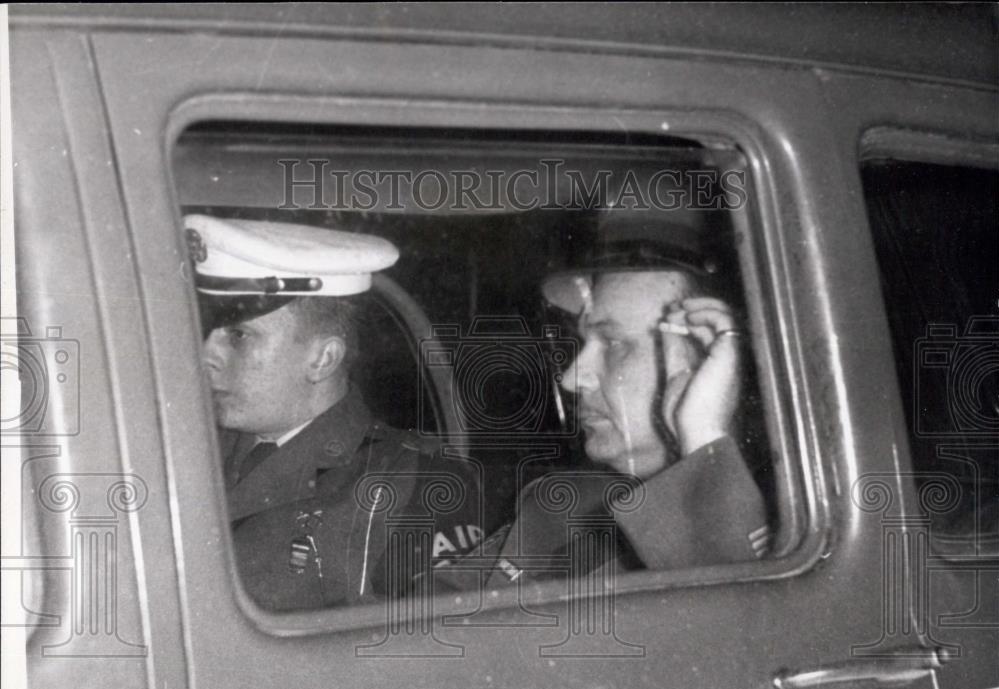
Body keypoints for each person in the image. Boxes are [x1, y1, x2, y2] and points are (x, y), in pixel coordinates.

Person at [433, 206, 771, 590]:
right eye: (583, 342)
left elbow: (742, 630)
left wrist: (704, 442)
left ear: (709, 359)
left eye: (613, 344)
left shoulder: (799, 532)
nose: (571, 377)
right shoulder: (563, 510)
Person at [188, 214, 482, 611]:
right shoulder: (187, 447)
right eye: (209, 332)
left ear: (323, 358)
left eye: (239, 335)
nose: (206, 355)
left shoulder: (416, 486)